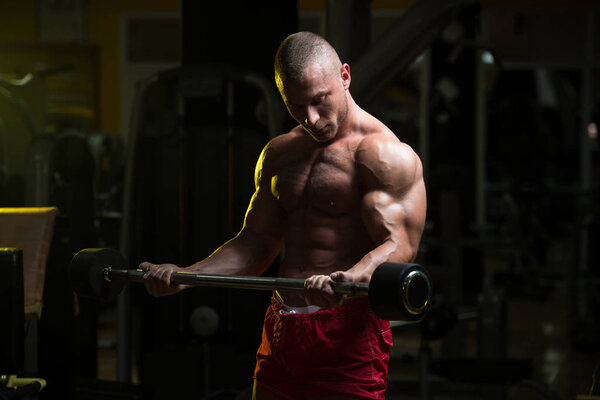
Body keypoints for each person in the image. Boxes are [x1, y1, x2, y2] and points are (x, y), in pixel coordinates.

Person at [140, 31, 427, 399]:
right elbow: (255, 244)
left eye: (319, 101)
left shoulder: (384, 155)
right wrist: (187, 275)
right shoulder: (279, 154)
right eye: (296, 106)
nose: (311, 118)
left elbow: (400, 245)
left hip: (347, 330)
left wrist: (350, 279)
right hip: (282, 325)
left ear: (344, 76)